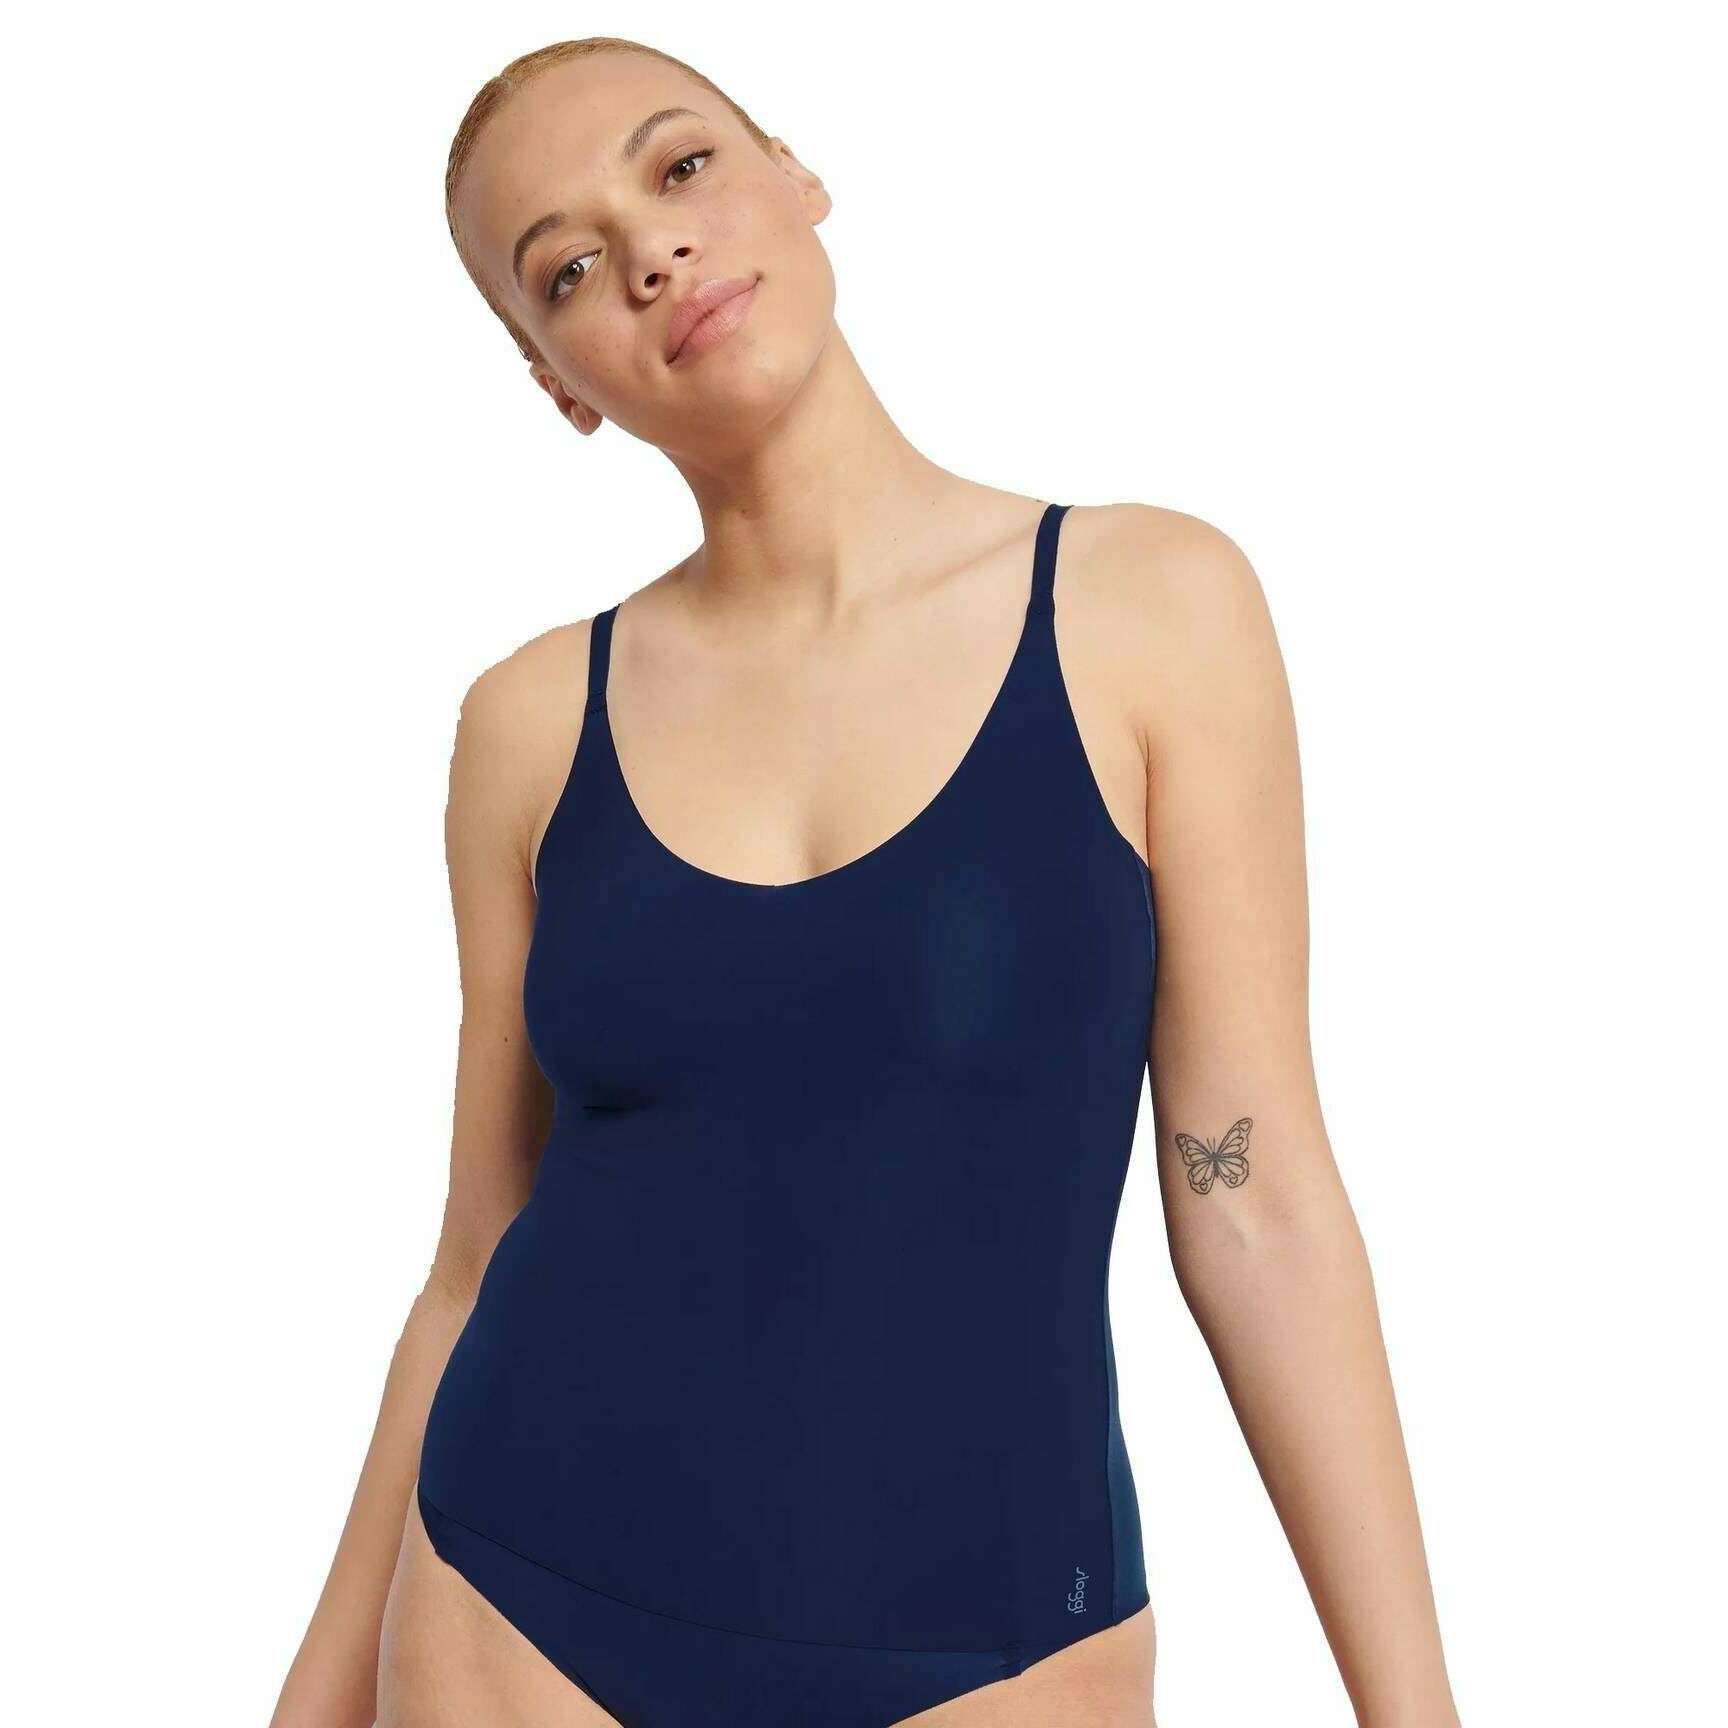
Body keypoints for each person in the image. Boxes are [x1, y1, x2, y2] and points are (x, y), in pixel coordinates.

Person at [270, 35, 1461, 1728]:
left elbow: (1253, 1195)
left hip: (994, 1648)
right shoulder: (528, 724)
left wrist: (1415, 1711)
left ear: (797, 174)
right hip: (517, 1613)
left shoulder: (1148, 609)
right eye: (569, 269)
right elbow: (475, 1257)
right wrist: (313, 1701)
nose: (652, 252)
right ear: (557, 380)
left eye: (680, 168)